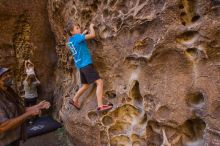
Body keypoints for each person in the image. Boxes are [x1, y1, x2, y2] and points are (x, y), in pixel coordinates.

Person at [65, 20, 113, 111]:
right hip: (86, 64)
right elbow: (92, 35)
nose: (79, 29)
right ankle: (100, 105)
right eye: (77, 28)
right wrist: (91, 27)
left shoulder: (70, 41)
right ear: (72, 32)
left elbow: (79, 40)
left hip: (81, 67)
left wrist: (83, 33)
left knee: (85, 85)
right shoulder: (78, 37)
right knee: (100, 83)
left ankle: (75, 99)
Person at [0, 67, 50, 146]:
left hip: (14, 138)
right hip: (5, 142)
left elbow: (19, 110)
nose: (9, 76)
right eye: (5, 75)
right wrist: (29, 114)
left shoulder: (9, 92)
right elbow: (3, 126)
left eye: (9, 74)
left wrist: (38, 106)